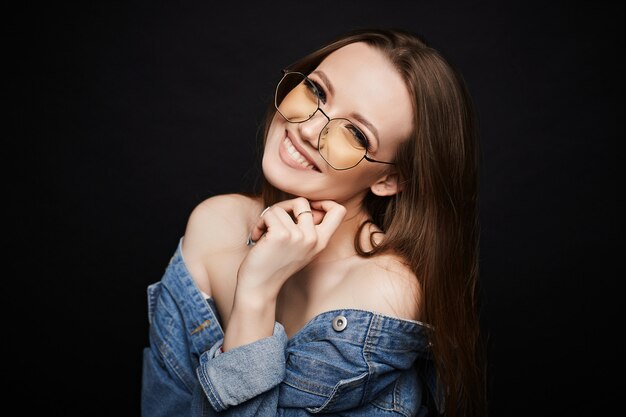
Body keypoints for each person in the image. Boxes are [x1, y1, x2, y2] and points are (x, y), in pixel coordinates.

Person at [141, 28, 486, 417]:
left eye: (355, 133)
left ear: (390, 179)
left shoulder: (385, 289)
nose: (308, 129)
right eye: (317, 91)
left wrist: (256, 292)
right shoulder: (215, 223)